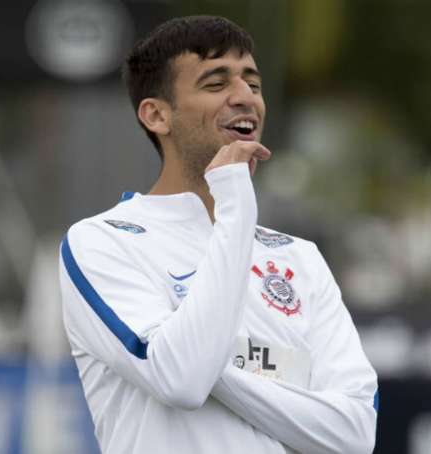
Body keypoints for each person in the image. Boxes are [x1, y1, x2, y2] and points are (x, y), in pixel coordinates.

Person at [58, 15, 378, 454]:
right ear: (156, 115)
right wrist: (234, 201)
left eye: (254, 83)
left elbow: (354, 435)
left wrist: (216, 368)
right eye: (215, 84)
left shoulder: (300, 258)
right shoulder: (101, 241)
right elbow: (181, 380)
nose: (245, 97)